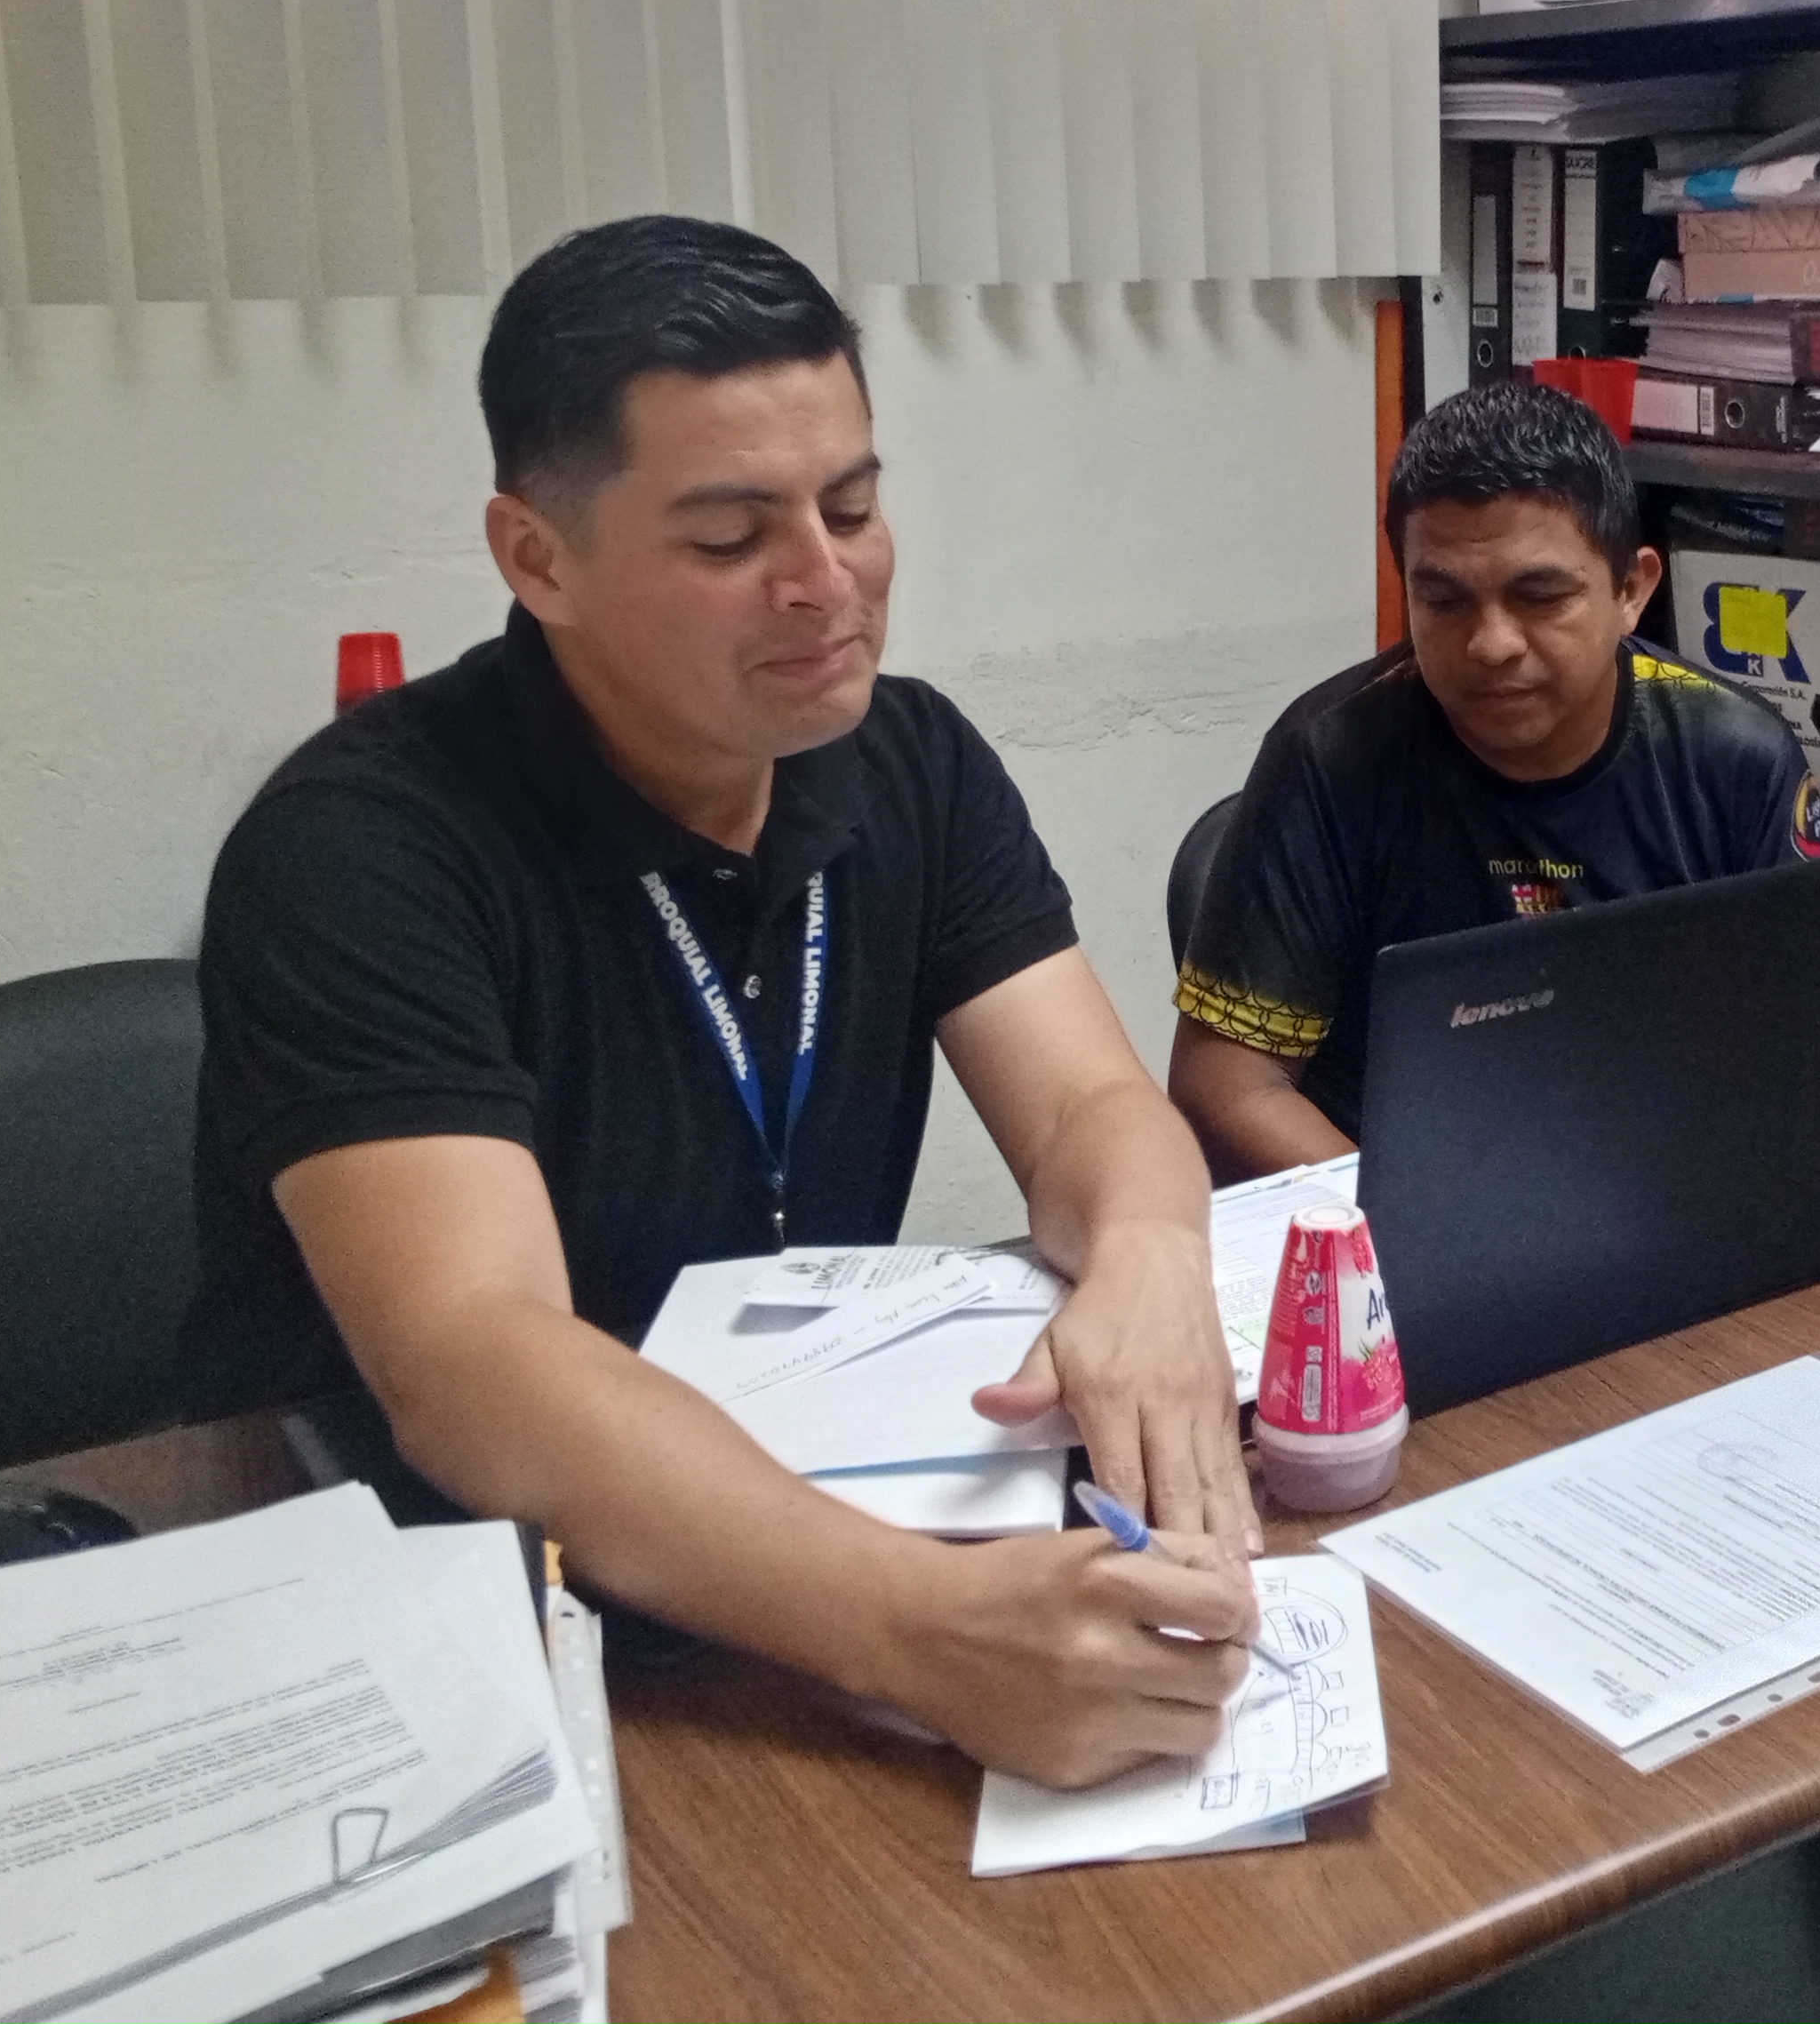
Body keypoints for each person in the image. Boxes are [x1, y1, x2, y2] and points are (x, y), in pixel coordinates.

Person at [178, 216, 1257, 1791]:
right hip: (424, 1606)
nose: (825, 583)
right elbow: (474, 1360)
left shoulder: (910, 762)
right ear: (537, 556)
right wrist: (924, 1629)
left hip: (787, 1532)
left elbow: (1091, 1102)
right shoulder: (360, 848)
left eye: (853, 507)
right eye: (730, 538)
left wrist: (1152, 1253)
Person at [1164, 379, 1820, 1339]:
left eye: (1540, 596)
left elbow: (1798, 1079)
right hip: (1404, 1250)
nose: (1491, 644)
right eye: (1443, 599)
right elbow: (1226, 1084)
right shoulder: (1332, 757)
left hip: (1671, 1214)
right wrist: (1423, 1225)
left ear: (1631, 589)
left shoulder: (1732, 759)